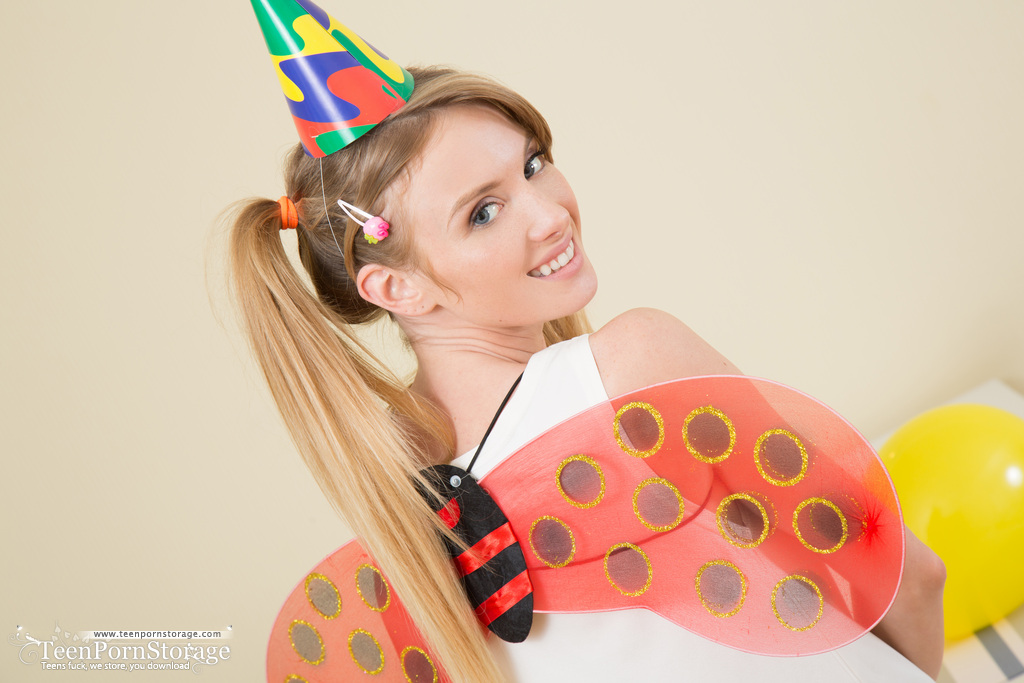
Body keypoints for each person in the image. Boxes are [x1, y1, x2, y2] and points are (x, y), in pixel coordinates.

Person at [229, 3, 945, 681]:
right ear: (398, 287)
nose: (550, 214)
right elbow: (908, 579)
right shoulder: (636, 365)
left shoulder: (390, 492)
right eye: (483, 212)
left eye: (533, 164)